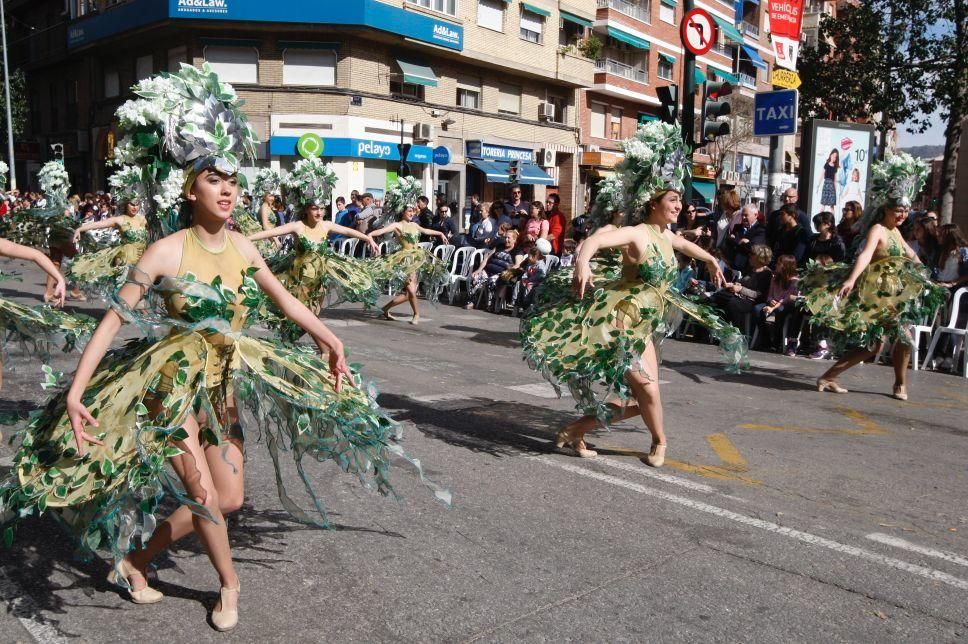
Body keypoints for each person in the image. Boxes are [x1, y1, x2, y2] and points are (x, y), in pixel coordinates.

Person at [0, 65, 445, 633]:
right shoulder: (163, 252)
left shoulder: (241, 247)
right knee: (203, 493)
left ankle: (135, 560)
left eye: (233, 179)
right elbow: (112, 322)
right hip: (168, 389)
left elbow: (287, 303)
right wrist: (76, 393)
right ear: (190, 188)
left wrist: (331, 339)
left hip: (221, 385)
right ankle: (229, 586)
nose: (229, 189)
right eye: (214, 178)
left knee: (229, 499)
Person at [521, 122, 747, 468]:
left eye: (679, 200)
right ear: (655, 203)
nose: (679, 206)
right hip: (622, 321)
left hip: (646, 325)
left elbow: (687, 243)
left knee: (645, 397)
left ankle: (575, 430)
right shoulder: (636, 233)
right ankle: (659, 443)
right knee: (649, 390)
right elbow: (593, 241)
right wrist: (583, 264)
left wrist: (711, 260)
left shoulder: (665, 235)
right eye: (673, 200)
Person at [802, 152, 946, 401]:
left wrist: (925, 275)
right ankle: (828, 376)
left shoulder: (895, 231)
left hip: (894, 294)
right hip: (876, 293)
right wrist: (850, 280)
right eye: (897, 210)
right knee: (874, 345)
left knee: (903, 336)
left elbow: (911, 254)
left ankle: (899, 384)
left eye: (905, 211)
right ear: (886, 209)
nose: (902, 215)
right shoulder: (878, 229)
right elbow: (866, 256)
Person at [248, 157, 380, 324]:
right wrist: (244, 239)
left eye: (322, 208)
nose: (319, 212)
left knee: (315, 313)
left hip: (320, 278)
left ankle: (322, 345)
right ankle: (324, 346)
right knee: (302, 316)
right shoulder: (298, 226)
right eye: (314, 208)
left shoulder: (326, 225)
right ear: (306, 209)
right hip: (300, 279)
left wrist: (368, 238)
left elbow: (348, 230)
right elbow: (270, 232)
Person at [369, 204, 448, 324]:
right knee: (411, 290)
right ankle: (416, 314)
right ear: (403, 212)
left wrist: (440, 234)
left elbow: (426, 231)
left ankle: (385, 309)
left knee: (408, 293)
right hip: (405, 260)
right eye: (409, 211)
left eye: (413, 212)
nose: (412, 214)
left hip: (416, 259)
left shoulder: (414, 225)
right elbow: (381, 231)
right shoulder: (398, 225)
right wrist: (369, 235)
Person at [67, 197, 148, 300]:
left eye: (137, 204)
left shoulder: (143, 219)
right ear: (126, 204)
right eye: (132, 204)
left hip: (143, 258)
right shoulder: (120, 219)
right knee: (124, 291)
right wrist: (80, 228)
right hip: (126, 259)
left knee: (141, 290)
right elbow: (99, 224)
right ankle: (118, 312)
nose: (134, 207)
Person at [711, 244, 774, 330]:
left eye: (752, 254)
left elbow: (759, 294)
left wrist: (741, 289)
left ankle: (734, 330)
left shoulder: (766, 273)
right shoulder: (750, 269)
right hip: (740, 297)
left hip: (752, 301)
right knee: (719, 296)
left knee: (730, 302)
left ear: (760, 257)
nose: (749, 256)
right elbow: (742, 282)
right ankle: (714, 328)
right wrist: (734, 284)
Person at [754, 254, 800, 354]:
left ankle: (777, 341)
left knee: (780, 311)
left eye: (779, 264)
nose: (777, 265)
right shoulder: (775, 278)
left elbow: (787, 298)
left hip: (783, 305)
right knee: (757, 309)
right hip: (773, 303)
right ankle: (765, 340)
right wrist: (770, 301)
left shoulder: (795, 281)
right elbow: (770, 294)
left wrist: (773, 307)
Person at [725, 204, 766, 270]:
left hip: (749, 268)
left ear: (755, 215)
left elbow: (753, 248)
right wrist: (741, 241)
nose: (743, 218)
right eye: (742, 215)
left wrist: (736, 240)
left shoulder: (761, 229)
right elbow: (728, 242)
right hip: (733, 266)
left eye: (746, 215)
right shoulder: (737, 227)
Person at [935, 223, 968, 290]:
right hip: (940, 285)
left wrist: (951, 284)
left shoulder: (963, 251)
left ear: (949, 237)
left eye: (941, 235)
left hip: (954, 288)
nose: (938, 236)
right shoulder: (942, 251)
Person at [818, 149, 840, 213]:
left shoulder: (835, 167)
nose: (834, 157)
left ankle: (833, 221)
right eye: (833, 155)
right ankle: (819, 220)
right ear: (830, 155)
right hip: (826, 185)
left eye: (835, 157)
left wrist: (835, 190)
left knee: (832, 206)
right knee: (823, 205)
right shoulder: (826, 164)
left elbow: (835, 179)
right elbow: (822, 175)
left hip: (832, 186)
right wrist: (818, 185)